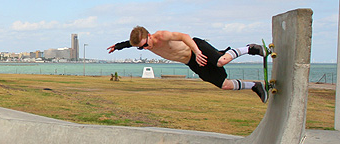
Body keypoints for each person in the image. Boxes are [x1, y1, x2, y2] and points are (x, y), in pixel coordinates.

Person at [107, 26, 269, 103]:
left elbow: (185, 36)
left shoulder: (162, 36)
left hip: (196, 48)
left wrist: (198, 52)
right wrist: (117, 47)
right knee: (224, 85)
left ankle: (250, 49)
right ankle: (255, 86)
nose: (145, 48)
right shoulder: (142, 43)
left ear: (149, 35)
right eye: (141, 48)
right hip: (191, 62)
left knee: (221, 61)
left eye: (145, 44)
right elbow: (129, 43)